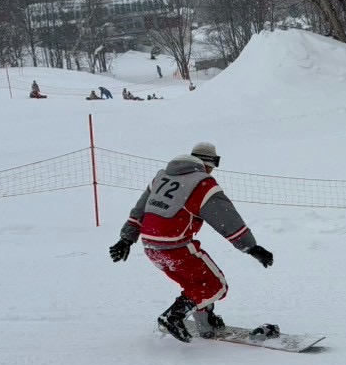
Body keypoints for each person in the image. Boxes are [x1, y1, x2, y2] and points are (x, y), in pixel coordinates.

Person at [108, 141, 274, 342]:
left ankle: (205, 324)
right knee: (215, 285)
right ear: (209, 163)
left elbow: (139, 211)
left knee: (196, 286)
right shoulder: (202, 184)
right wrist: (251, 247)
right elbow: (226, 219)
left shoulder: (161, 178)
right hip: (176, 248)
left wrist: (125, 240)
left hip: (151, 248)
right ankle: (174, 315)